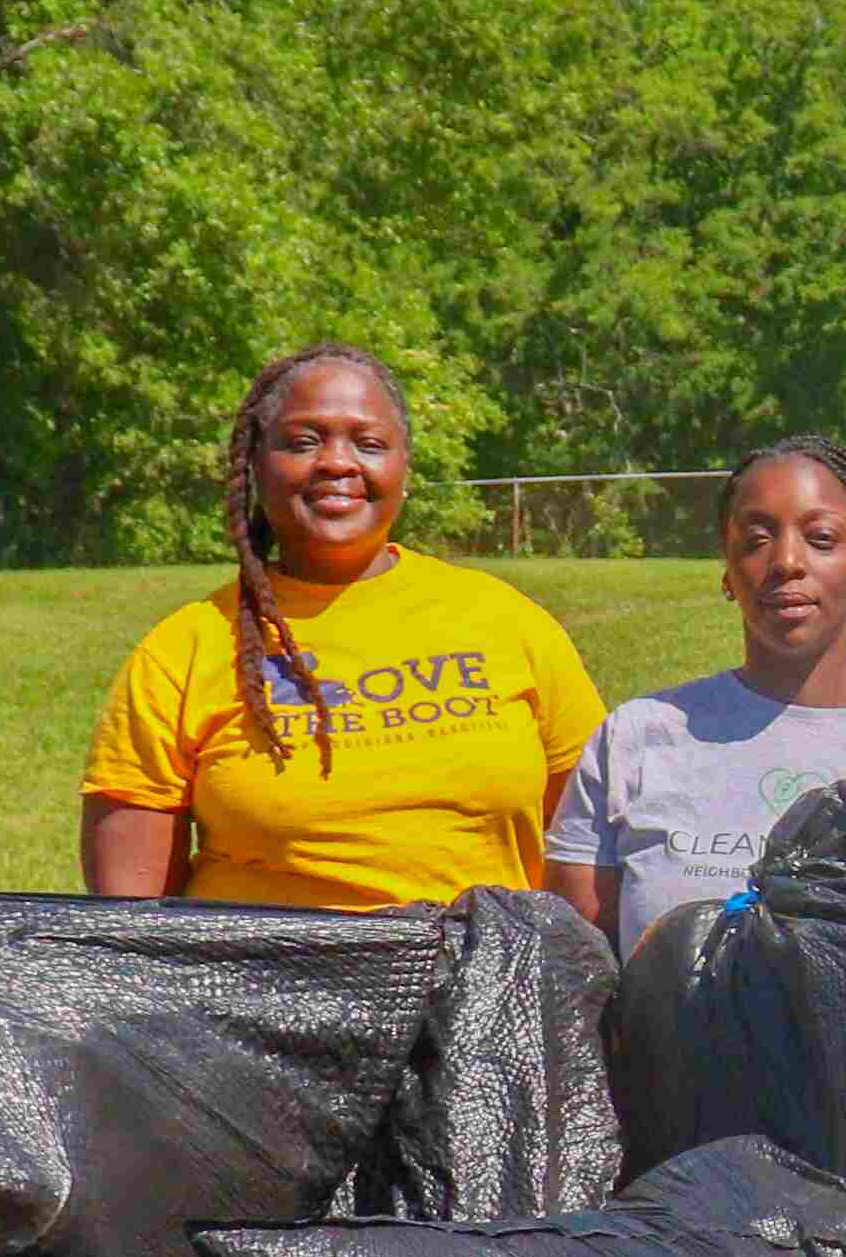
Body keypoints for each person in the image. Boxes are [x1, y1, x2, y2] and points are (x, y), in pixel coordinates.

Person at [81, 345, 608, 912]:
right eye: (304, 441)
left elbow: (593, 842)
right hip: (263, 989)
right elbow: (130, 921)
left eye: (369, 443)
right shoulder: (186, 648)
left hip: (479, 984)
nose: (337, 461)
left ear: (404, 468)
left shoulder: (506, 620)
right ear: (256, 465)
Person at [540, 437, 846, 952]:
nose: (786, 561)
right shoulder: (636, 739)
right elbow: (576, 972)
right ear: (729, 575)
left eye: (820, 538)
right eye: (756, 540)